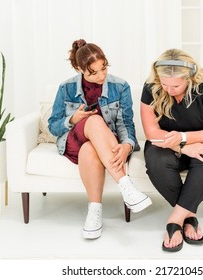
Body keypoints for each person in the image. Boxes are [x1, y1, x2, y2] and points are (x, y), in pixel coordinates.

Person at [48, 39, 152, 240]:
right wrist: (72, 119)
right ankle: (126, 185)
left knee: (90, 148)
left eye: (104, 68)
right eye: (93, 72)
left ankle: (94, 212)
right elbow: (53, 126)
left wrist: (127, 145)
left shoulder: (120, 86)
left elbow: (125, 123)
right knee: (94, 120)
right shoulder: (66, 88)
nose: (101, 75)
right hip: (73, 141)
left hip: (102, 145)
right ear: (80, 69)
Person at [140, 49, 203, 252]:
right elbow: (152, 131)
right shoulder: (150, 88)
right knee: (156, 162)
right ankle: (190, 216)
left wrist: (184, 137)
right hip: (166, 143)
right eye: (164, 84)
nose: (169, 90)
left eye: (176, 85)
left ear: (189, 78)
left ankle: (175, 220)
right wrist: (182, 146)